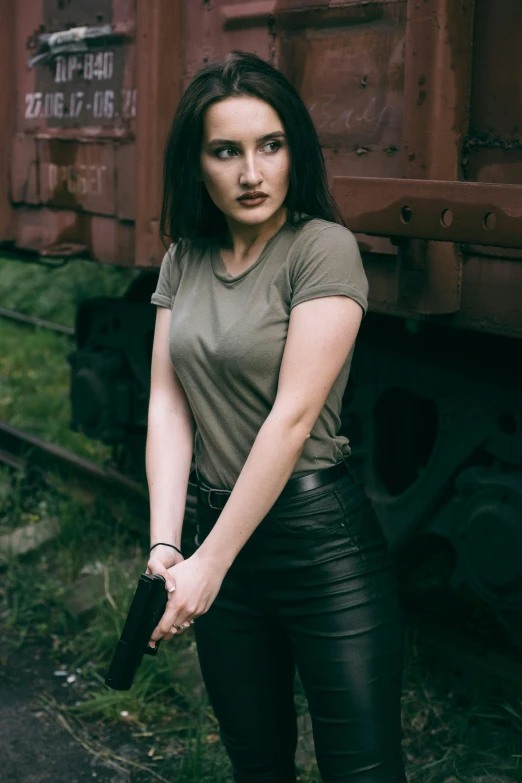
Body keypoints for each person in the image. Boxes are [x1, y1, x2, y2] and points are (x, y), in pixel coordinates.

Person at [145, 50, 406, 783]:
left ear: (295, 151)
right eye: (226, 151)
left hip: (319, 547)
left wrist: (209, 564)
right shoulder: (184, 258)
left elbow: (292, 419)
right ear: (197, 163)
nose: (251, 173)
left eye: (270, 145)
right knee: (257, 764)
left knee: (363, 771)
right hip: (217, 535)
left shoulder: (321, 249)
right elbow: (169, 403)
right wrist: (170, 544)